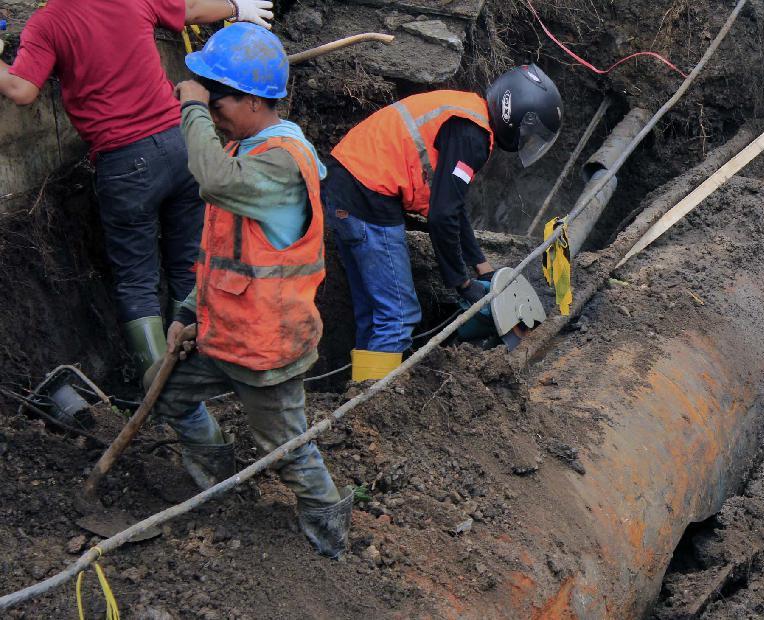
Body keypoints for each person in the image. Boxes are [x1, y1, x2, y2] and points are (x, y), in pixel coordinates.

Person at [155, 23, 351, 557]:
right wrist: (188, 310)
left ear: (254, 102)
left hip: (267, 344)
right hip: (226, 333)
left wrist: (191, 106)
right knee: (168, 390)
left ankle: (330, 532)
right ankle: (215, 476)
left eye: (219, 99)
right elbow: (226, 253)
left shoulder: (280, 165)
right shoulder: (249, 146)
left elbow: (212, 179)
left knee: (287, 450)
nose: (213, 109)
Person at [0, 0, 273, 375]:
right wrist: (233, 6)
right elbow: (190, 9)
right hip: (181, 146)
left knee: (136, 280)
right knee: (189, 263)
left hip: (125, 163)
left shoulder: (47, 23)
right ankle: (197, 377)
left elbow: (21, 89)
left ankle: (160, 391)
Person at [324, 64, 563, 381]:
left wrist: (481, 265)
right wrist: (462, 284)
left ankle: (361, 388)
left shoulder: (468, 114)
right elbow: (441, 216)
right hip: (369, 198)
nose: (525, 140)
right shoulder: (473, 136)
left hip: (345, 185)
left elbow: (450, 204)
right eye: (528, 133)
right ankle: (372, 404)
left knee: (375, 310)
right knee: (399, 315)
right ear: (515, 113)